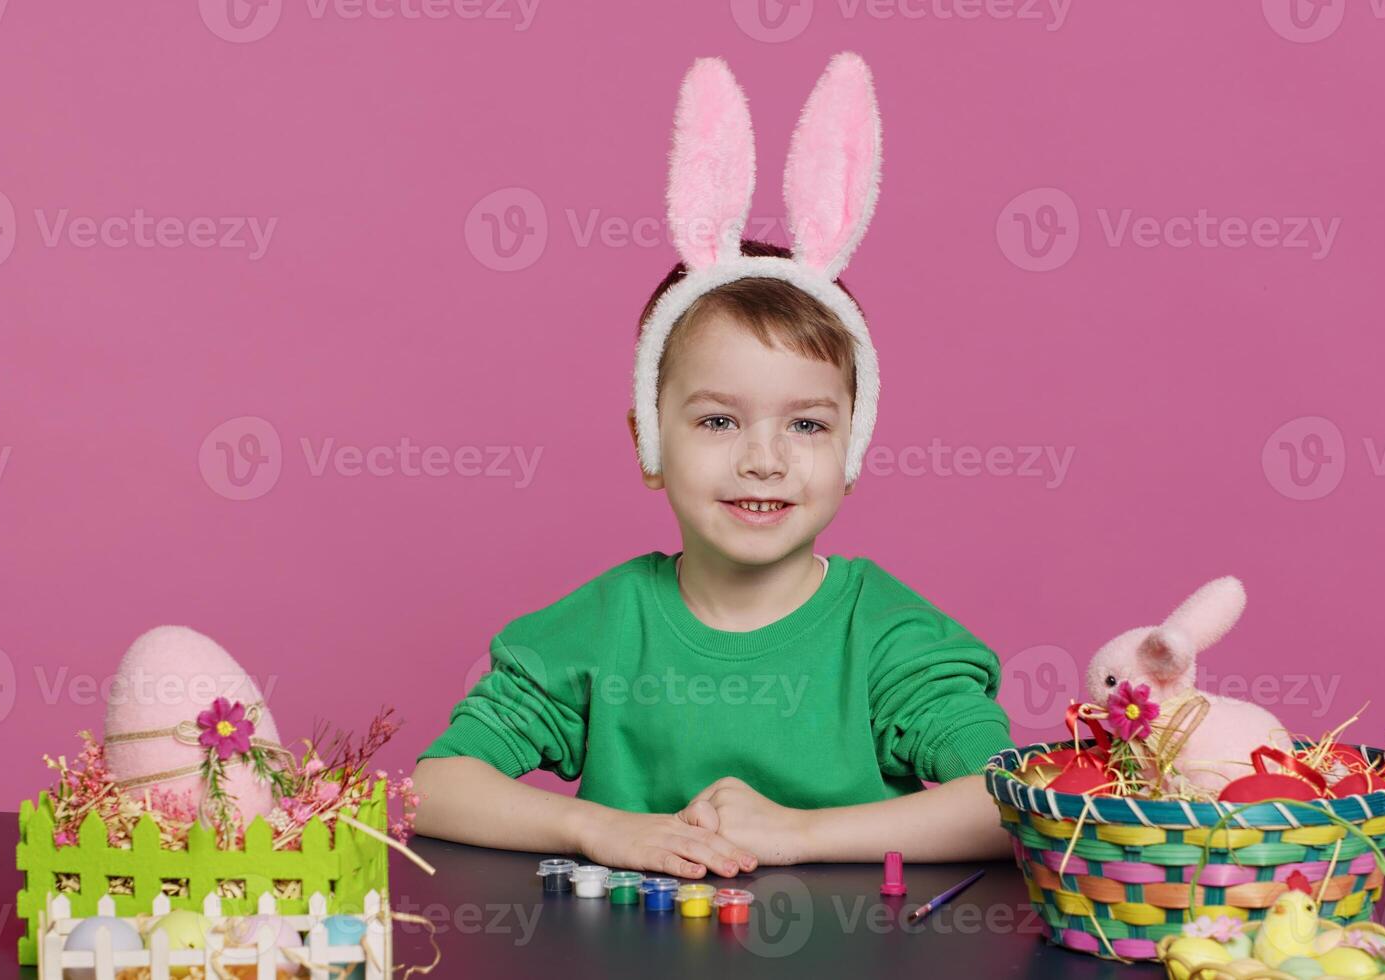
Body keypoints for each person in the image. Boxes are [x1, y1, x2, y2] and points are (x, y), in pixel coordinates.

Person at [410, 54, 1015, 880]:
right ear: (649, 446)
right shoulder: (602, 626)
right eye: (718, 420)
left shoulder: (887, 638)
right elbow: (435, 788)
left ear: (851, 452)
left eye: (804, 424)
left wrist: (798, 834)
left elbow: (1007, 802)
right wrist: (598, 829)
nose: (762, 459)